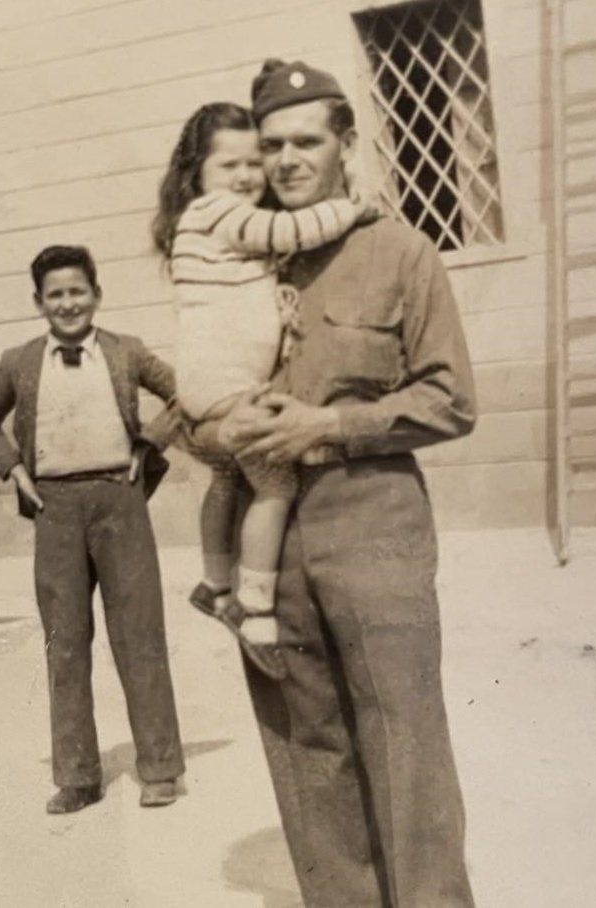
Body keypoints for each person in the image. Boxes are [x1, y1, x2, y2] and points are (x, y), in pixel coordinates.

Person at [196, 59, 478, 908]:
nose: (285, 160)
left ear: (346, 145)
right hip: (268, 543)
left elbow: (452, 398)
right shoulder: (232, 256)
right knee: (304, 748)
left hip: (373, 524)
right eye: (271, 143)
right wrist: (216, 431)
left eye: (305, 141)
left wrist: (328, 425)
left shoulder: (399, 252)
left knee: (407, 746)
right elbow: (193, 397)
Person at [151, 100, 372, 680]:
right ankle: (254, 607)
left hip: (210, 384)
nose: (247, 176)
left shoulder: (210, 224)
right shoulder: (216, 211)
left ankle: (213, 579)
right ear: (196, 172)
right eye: (230, 165)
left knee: (227, 477)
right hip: (225, 385)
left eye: (254, 163)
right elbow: (290, 228)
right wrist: (352, 209)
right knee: (275, 480)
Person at [0, 245, 185, 814]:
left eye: (77, 292)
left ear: (96, 294)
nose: (68, 304)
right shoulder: (19, 362)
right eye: (55, 295)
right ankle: (78, 776)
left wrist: (150, 444)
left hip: (121, 502)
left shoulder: (126, 352)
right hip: (55, 511)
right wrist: (15, 472)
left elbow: (184, 396)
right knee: (64, 643)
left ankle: (161, 769)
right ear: (39, 303)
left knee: (139, 636)